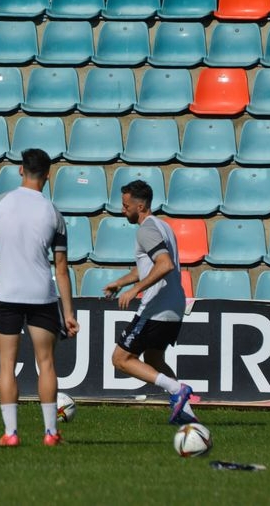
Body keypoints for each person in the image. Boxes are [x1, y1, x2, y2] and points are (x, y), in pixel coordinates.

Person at [0, 148, 80, 447]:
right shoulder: (53, 212)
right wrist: (69, 312)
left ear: (20, 170)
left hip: (8, 293)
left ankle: (11, 433)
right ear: (48, 175)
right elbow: (61, 268)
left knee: (6, 364)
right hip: (41, 293)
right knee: (46, 363)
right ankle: (50, 433)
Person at [103, 180, 198, 425]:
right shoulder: (163, 227)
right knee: (154, 361)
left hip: (156, 307)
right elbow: (149, 268)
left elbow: (164, 265)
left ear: (141, 205)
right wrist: (122, 282)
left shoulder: (146, 230)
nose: (123, 210)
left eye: (126, 206)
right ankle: (187, 416)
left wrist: (135, 289)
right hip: (174, 306)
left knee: (120, 359)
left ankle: (177, 389)